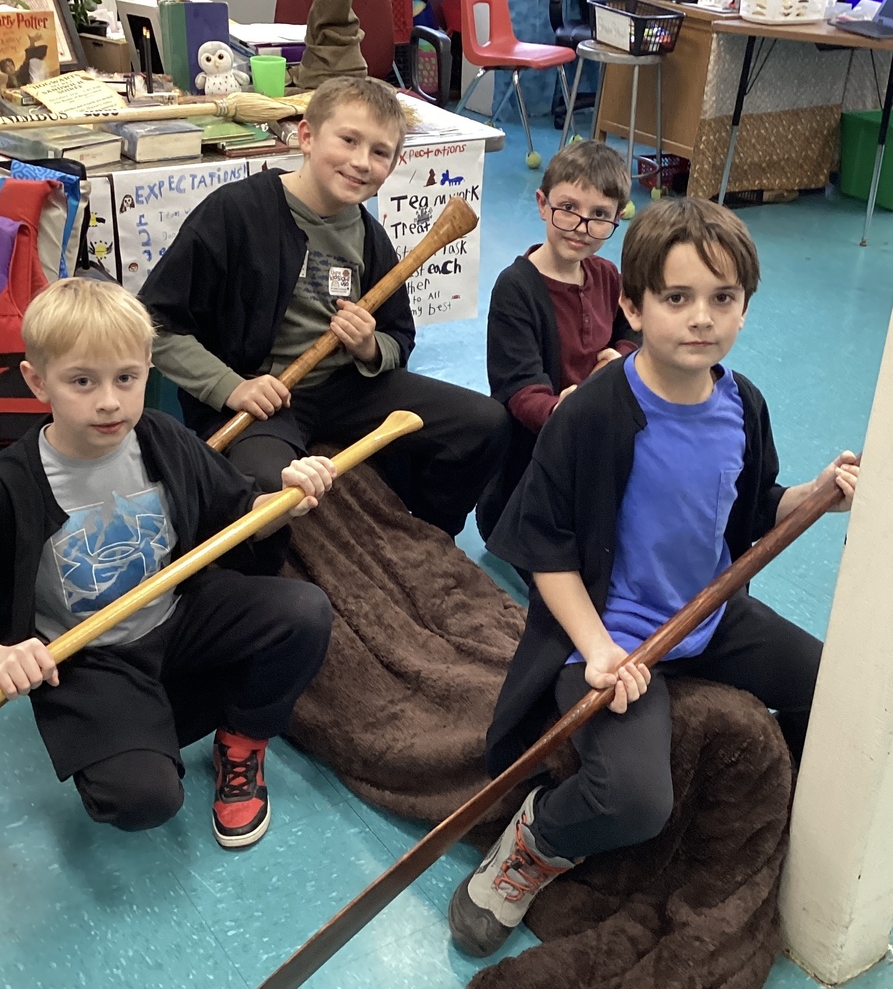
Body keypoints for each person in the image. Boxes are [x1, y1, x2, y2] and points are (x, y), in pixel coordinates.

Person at [448, 198, 859, 957]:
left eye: (722, 299)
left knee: (828, 690)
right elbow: (544, 548)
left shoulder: (743, 405)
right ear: (631, 306)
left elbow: (753, 506)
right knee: (635, 802)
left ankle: (785, 824)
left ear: (743, 307)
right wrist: (597, 648)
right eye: (676, 298)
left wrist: (812, 496)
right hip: (610, 632)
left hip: (708, 613)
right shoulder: (593, 414)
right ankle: (532, 844)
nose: (700, 318)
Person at [0, 278, 336, 849]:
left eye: (126, 377)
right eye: (82, 381)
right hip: (88, 659)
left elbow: (243, 514)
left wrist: (289, 496)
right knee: (144, 799)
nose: (110, 401)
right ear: (38, 382)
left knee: (303, 612)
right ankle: (133, 732)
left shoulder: (161, 437)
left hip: (177, 618)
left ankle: (240, 738)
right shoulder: (4, 487)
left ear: (147, 369)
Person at [141, 76, 508, 550]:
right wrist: (232, 387)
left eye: (380, 152)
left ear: (395, 164)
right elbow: (154, 323)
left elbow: (400, 337)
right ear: (307, 136)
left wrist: (369, 345)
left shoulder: (370, 238)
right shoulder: (235, 213)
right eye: (348, 140)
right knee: (266, 503)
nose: (361, 162)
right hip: (263, 401)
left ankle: (423, 536)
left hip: (347, 389)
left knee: (484, 425)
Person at [477, 140, 640, 543]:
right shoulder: (516, 288)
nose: (581, 227)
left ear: (618, 217)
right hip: (534, 461)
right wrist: (564, 411)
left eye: (599, 215)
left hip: (595, 438)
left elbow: (632, 331)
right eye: (568, 208)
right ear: (542, 203)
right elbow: (519, 391)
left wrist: (619, 359)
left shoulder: (606, 276)